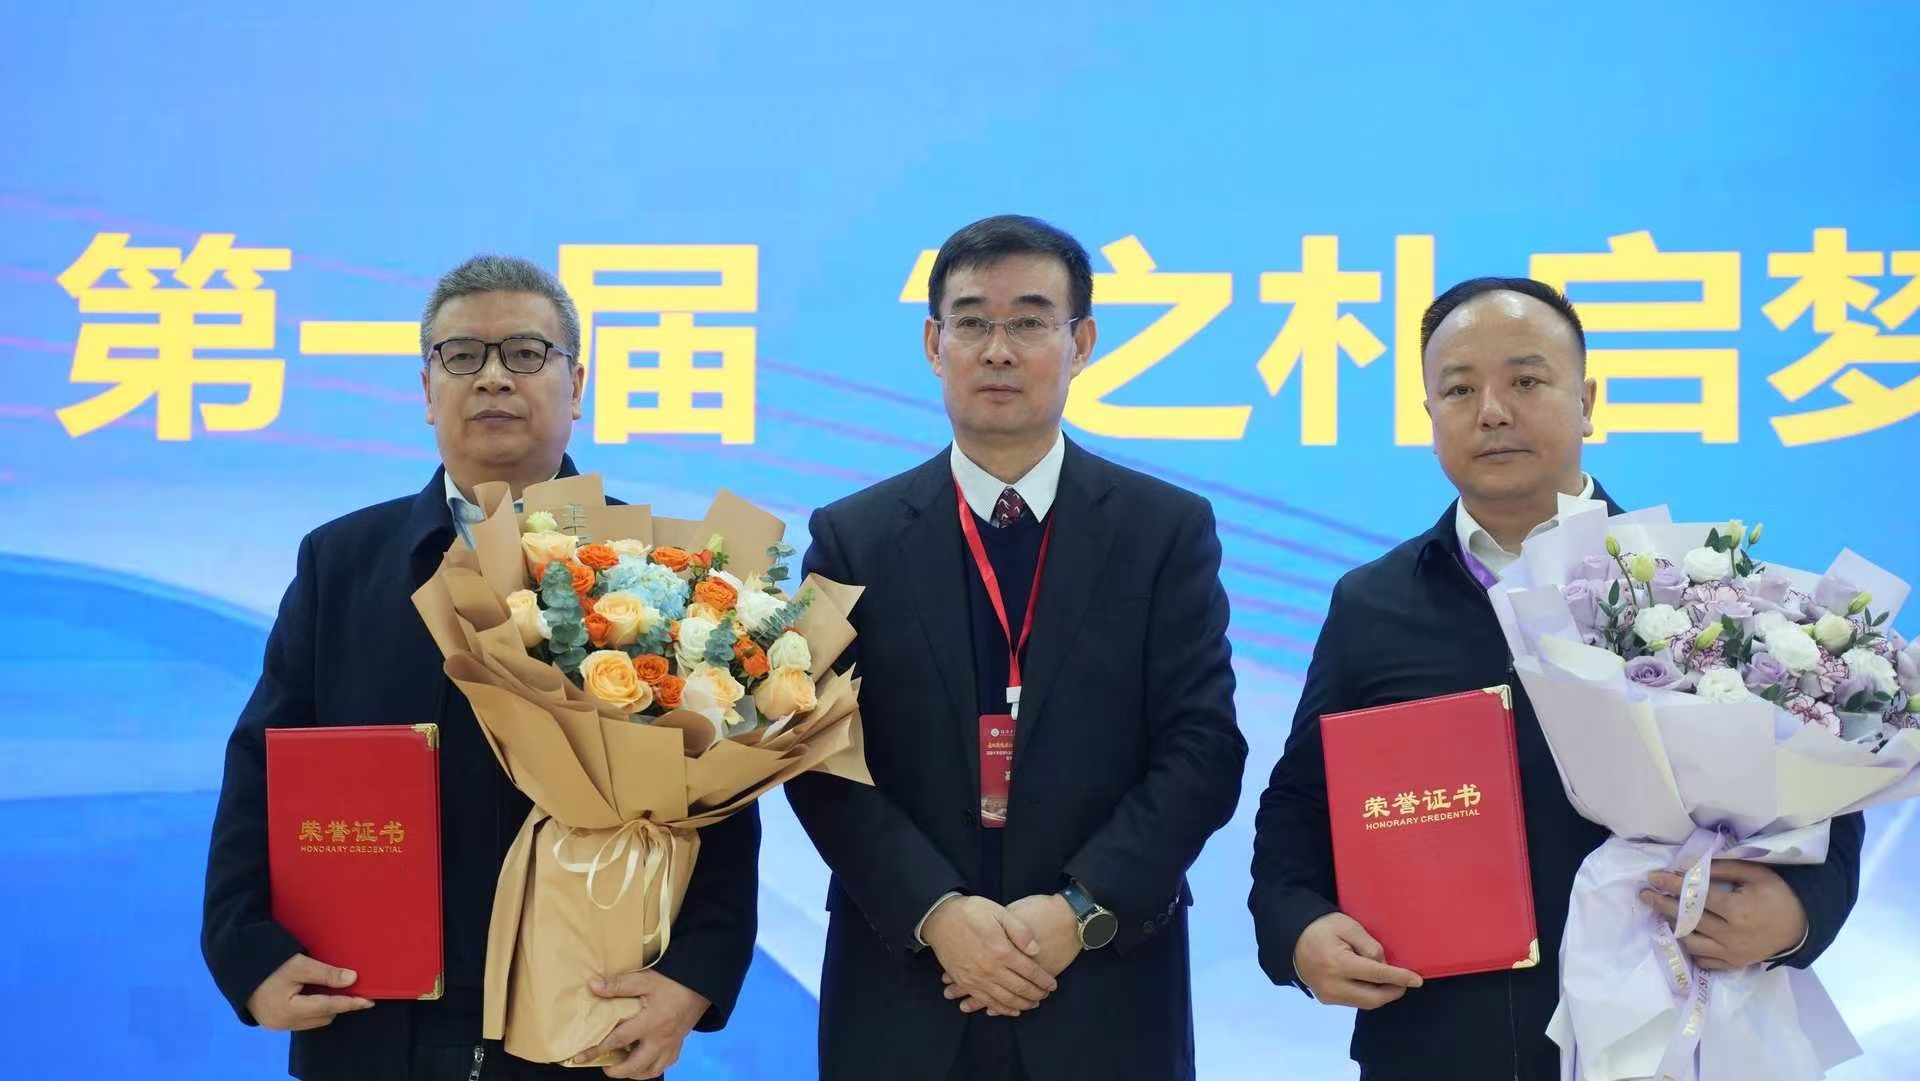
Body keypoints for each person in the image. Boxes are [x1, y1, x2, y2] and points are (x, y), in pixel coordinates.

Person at [1248, 276, 1865, 1080]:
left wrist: (1799, 914)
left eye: (1526, 380)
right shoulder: (1374, 603)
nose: (1492, 411)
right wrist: (1297, 929)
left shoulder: (1697, 584)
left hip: (1669, 1036)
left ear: (1587, 401)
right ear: (1429, 415)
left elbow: (1820, 784)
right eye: (1459, 390)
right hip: (1438, 1039)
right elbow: (1301, 802)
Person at [201, 255, 760, 1081]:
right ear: (428, 389)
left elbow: (720, 794)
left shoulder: (660, 567)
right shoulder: (344, 562)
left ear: (578, 384)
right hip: (374, 1014)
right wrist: (248, 950)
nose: (493, 376)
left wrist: (695, 974)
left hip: (587, 1016)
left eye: (526, 353)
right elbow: (263, 764)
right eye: (462, 355)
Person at [784, 214, 1247, 1081]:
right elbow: (815, 754)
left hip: (1104, 986)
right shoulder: (852, 538)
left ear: (1082, 342)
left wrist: (1078, 908)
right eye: (972, 322)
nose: (998, 349)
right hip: (906, 991)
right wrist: (936, 912)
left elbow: (1204, 748)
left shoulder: (1164, 531)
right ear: (935, 344)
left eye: (1030, 321)